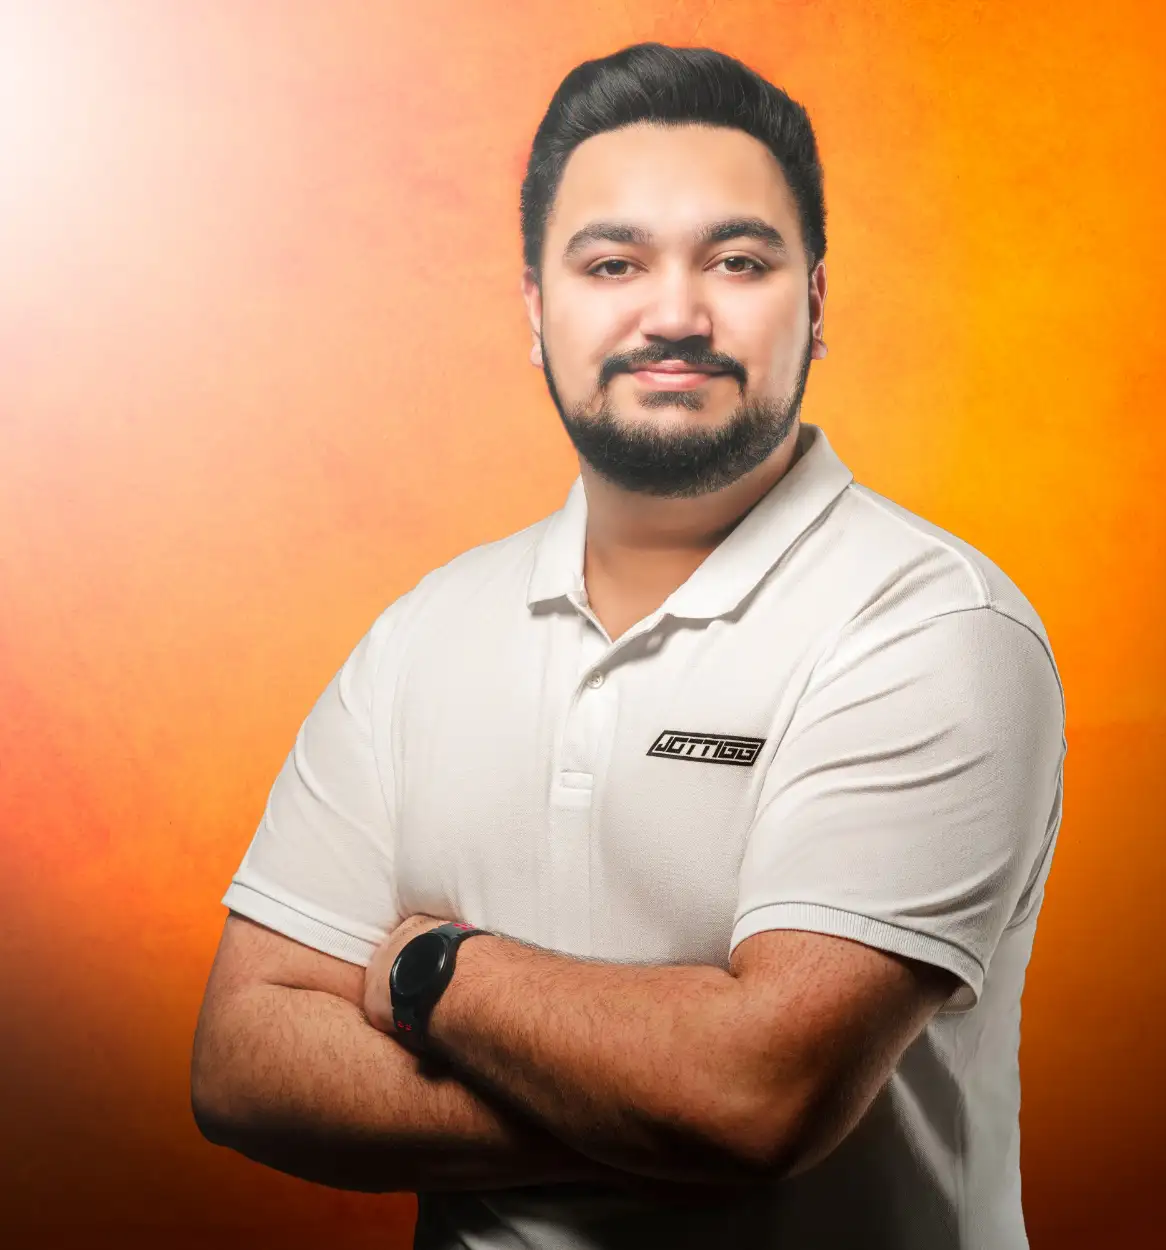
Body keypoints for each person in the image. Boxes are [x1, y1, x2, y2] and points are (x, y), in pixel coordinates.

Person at [191, 41, 1067, 1250]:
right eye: (612, 263)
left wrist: (431, 970)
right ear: (535, 310)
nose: (673, 314)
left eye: (736, 260)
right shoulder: (422, 634)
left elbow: (752, 1094)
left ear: (814, 305)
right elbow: (240, 1058)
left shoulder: (929, 626)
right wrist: (650, 1110)